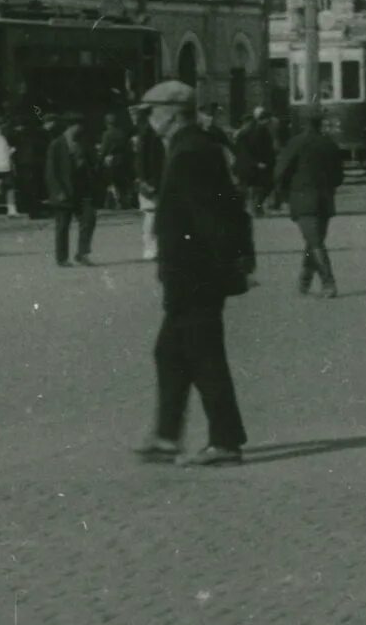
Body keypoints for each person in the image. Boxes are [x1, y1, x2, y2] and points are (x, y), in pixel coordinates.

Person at [135, 80, 256, 468]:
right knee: (170, 352)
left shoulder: (189, 153)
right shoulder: (193, 147)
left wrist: (221, 269)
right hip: (194, 274)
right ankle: (167, 437)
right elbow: (231, 209)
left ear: (171, 113)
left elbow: (211, 220)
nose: (149, 120)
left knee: (204, 357)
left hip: (194, 275)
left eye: (152, 112)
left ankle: (225, 441)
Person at [271, 105, 346, 297]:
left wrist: (283, 193)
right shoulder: (330, 144)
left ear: (304, 123)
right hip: (325, 199)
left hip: (303, 199)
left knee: (314, 242)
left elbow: (280, 171)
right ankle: (304, 281)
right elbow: (339, 177)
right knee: (314, 240)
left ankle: (328, 283)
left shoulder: (296, 143)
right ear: (321, 123)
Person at [44, 116, 100, 265]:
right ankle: (62, 258)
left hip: (82, 191)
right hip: (64, 191)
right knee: (63, 225)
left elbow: (92, 164)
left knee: (89, 219)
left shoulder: (83, 143)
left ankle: (82, 254)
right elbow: (51, 172)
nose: (80, 130)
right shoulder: (56, 145)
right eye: (78, 126)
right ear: (70, 126)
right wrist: (58, 191)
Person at [134, 105, 165, 262]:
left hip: (154, 180)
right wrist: (145, 181)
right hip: (151, 181)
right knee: (151, 214)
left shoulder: (150, 132)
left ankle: (154, 247)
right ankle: (149, 248)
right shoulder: (147, 133)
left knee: (154, 214)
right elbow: (142, 161)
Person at [234, 105, 279, 215]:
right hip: (250, 165)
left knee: (262, 185)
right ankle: (254, 207)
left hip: (255, 164)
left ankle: (255, 207)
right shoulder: (251, 132)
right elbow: (246, 151)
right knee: (262, 185)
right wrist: (257, 163)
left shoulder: (260, 130)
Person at [100, 112, 137, 214]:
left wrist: (100, 159)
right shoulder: (122, 132)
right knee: (123, 182)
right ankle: (126, 202)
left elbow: (104, 150)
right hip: (123, 159)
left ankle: (117, 202)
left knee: (112, 181)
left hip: (111, 160)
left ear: (106, 123)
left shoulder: (107, 134)